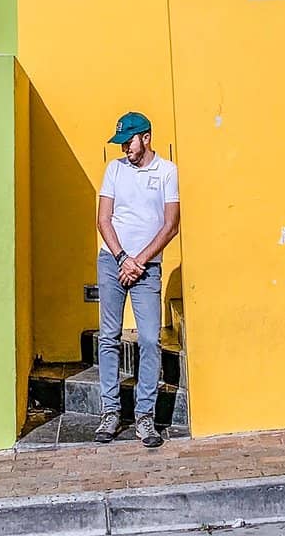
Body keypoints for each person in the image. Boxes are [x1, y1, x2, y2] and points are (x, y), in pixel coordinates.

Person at [94, 112, 180, 448]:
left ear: (145, 137)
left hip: (147, 269)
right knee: (109, 337)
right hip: (112, 262)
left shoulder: (167, 172)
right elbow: (103, 219)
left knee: (148, 339)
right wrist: (121, 258)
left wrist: (139, 261)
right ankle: (110, 411)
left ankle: (145, 416)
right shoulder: (115, 169)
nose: (124, 149)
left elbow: (170, 224)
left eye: (128, 141)